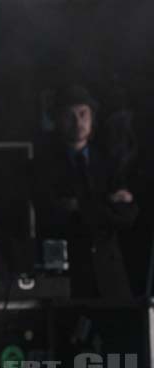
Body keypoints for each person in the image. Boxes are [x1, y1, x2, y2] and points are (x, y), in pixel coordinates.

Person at [32, 84, 139, 299]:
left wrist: (79, 205)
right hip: (68, 275)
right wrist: (106, 203)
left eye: (83, 114)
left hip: (110, 276)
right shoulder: (45, 166)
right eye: (69, 115)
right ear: (58, 120)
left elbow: (129, 214)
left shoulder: (109, 163)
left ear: (92, 117)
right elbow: (52, 214)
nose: (78, 122)